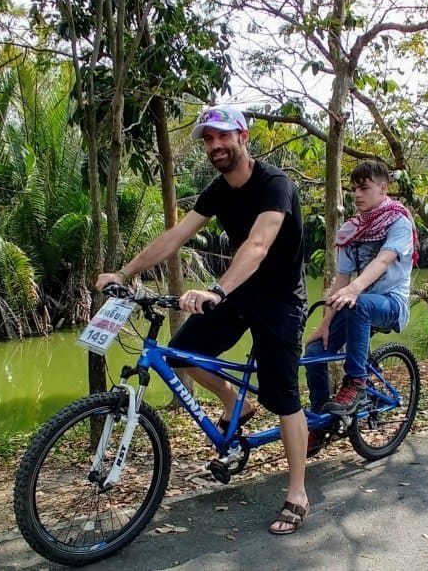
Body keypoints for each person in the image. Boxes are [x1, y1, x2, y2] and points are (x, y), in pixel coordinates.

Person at [95, 103, 310, 536]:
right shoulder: (218, 189)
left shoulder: (275, 185)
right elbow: (175, 236)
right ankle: (235, 402)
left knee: (283, 396)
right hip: (239, 291)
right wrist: (124, 273)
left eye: (222, 136)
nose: (215, 145)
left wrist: (216, 290)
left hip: (280, 299)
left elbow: (258, 245)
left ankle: (298, 492)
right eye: (208, 140)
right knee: (179, 353)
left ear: (243, 137)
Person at [304, 160, 416, 453]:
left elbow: (383, 260)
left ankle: (356, 383)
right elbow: (341, 279)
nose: (356, 195)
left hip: (391, 303)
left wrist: (356, 288)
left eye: (364, 188)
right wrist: (325, 323)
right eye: (353, 189)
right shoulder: (351, 230)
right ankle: (321, 421)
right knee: (315, 351)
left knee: (360, 304)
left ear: (383, 188)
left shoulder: (399, 221)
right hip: (357, 304)